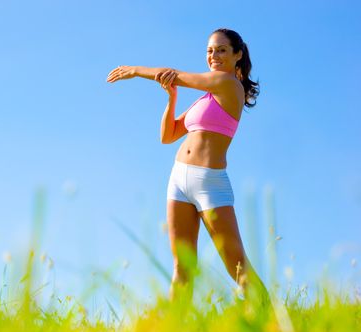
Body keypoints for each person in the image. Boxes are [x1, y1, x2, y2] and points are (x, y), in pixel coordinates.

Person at [106, 28, 270, 307]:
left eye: (221, 50)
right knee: (182, 267)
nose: (214, 55)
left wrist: (135, 70)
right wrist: (171, 98)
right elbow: (168, 135)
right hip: (178, 179)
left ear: (237, 55)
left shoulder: (230, 86)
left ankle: (274, 320)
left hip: (209, 183)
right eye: (209, 50)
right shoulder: (205, 98)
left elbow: (177, 74)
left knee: (237, 265)